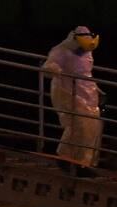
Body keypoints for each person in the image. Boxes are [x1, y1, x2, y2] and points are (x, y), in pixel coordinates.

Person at [42, 26, 103, 168]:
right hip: (67, 91)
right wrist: (53, 69)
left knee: (93, 127)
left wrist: (97, 90)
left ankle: (85, 163)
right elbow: (48, 67)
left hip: (88, 94)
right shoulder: (61, 50)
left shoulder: (87, 53)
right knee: (77, 124)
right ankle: (64, 157)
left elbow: (86, 74)